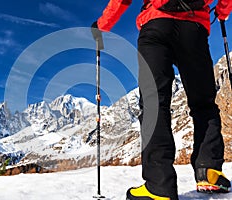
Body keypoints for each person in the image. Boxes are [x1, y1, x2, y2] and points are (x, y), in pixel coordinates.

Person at [92, 0, 232, 199]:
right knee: (203, 102)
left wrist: (102, 25)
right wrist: (223, 10)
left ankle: (159, 185)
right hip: (194, 28)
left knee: (153, 103)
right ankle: (209, 170)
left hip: (155, 25)